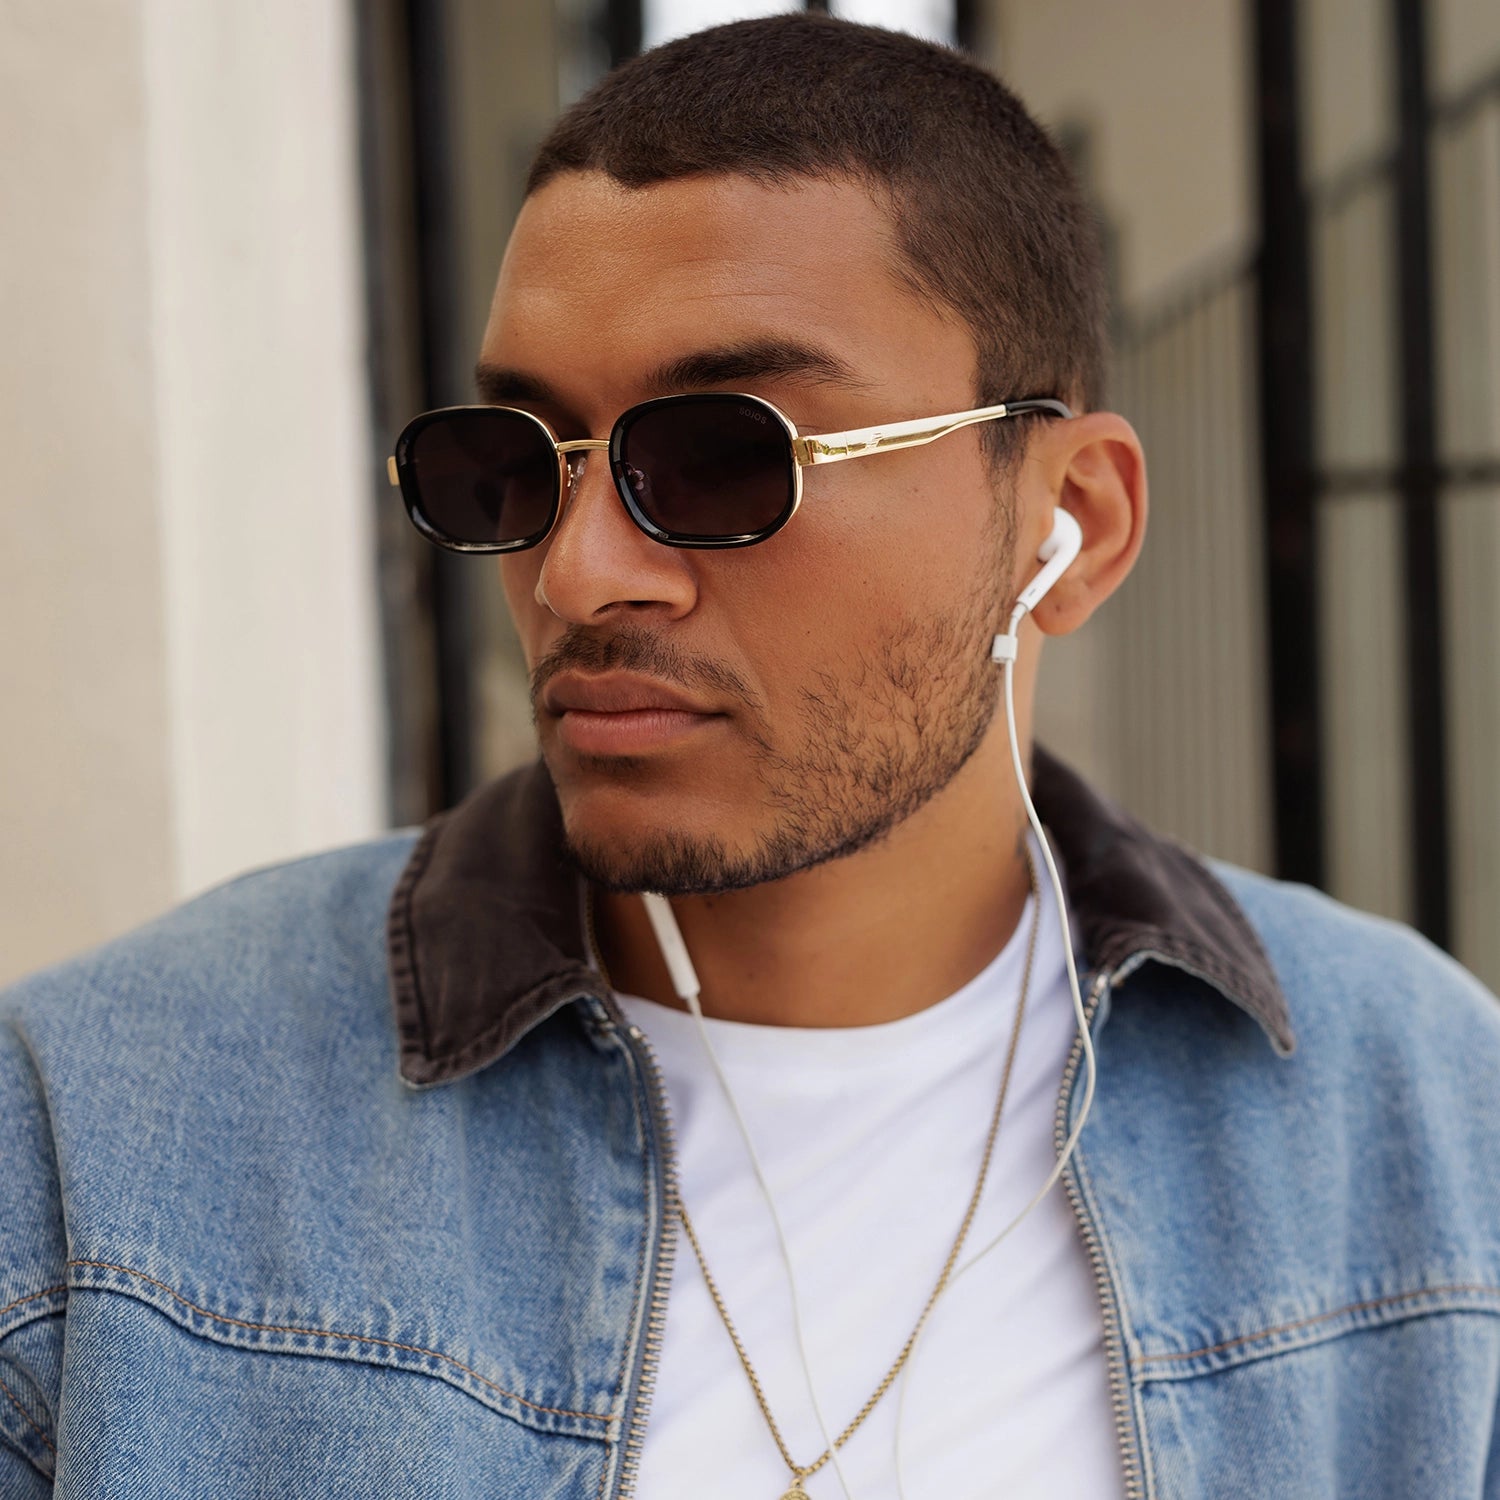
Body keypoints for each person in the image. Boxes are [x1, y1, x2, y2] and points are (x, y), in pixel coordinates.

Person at [4, 14, 1499, 1498]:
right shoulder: (103, 1137)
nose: (581, 574)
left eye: (725, 457)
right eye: (516, 464)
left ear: (1073, 524)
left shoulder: (1418, 1119)